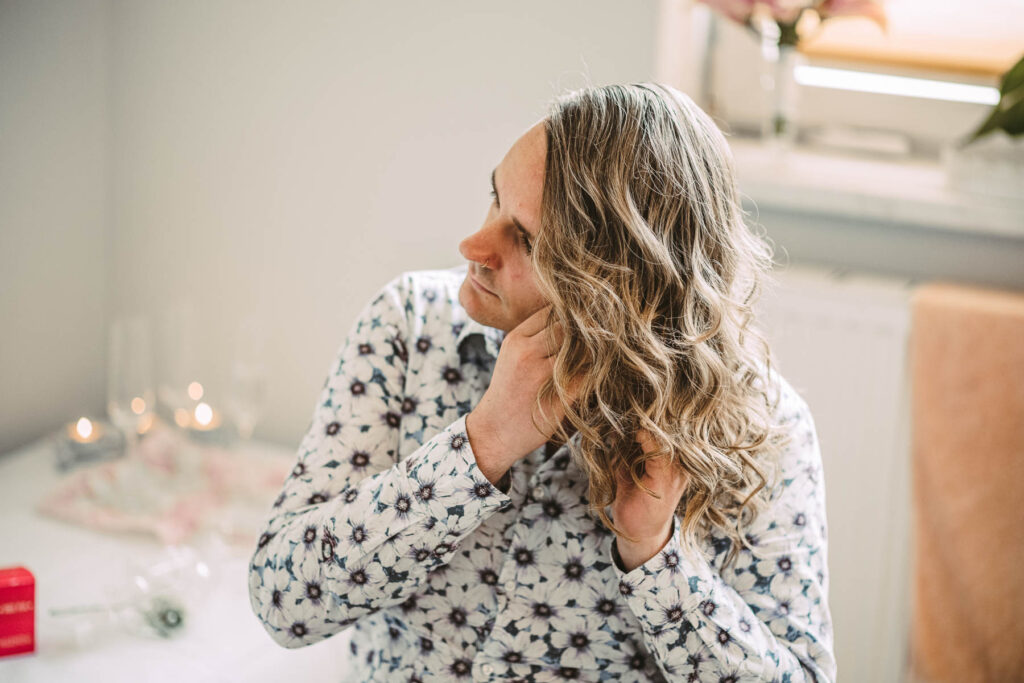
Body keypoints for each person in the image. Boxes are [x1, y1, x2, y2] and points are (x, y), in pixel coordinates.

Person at [248, 83, 836, 682]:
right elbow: (282, 604)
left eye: (525, 239)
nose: (472, 246)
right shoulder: (407, 328)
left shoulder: (758, 425)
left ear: (626, 283)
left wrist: (653, 552)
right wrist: (482, 446)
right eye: (493, 198)